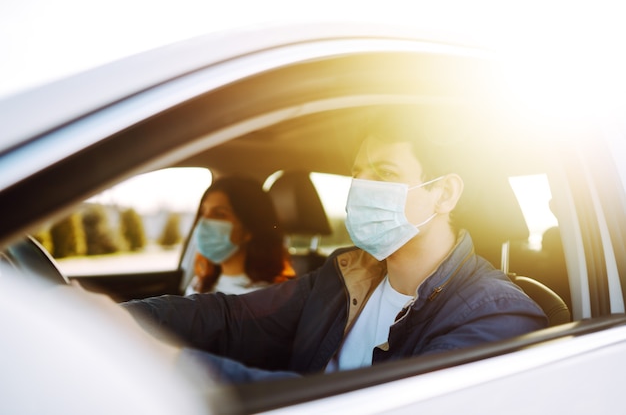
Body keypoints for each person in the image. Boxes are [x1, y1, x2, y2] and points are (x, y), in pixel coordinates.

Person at [122, 107, 548, 383]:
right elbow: (234, 318)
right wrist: (118, 320)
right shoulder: (343, 274)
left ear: (444, 195)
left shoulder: (498, 314)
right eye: (358, 172)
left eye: (384, 173)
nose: (363, 187)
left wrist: (169, 362)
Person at [184, 176, 294, 295]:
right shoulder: (199, 284)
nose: (204, 221)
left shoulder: (266, 296)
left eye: (219, 214)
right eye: (203, 212)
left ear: (249, 229)